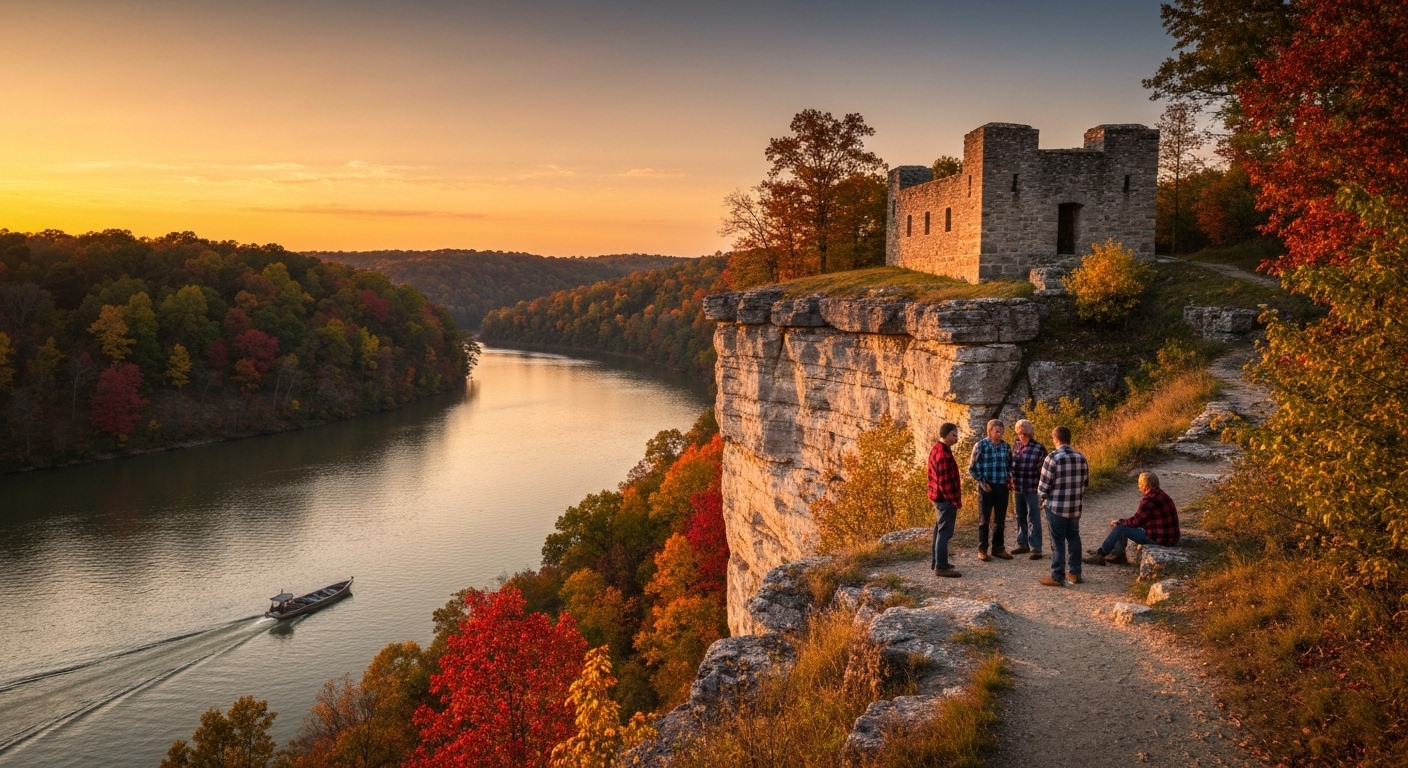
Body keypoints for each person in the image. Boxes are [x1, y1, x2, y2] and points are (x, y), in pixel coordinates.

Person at [1085, 472, 1180, 566]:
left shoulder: (1148, 500)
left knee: (1119, 528)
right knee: (1123, 526)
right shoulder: (1162, 495)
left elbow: (1136, 522)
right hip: (1171, 538)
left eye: (1139, 484)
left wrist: (1119, 522)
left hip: (1159, 539)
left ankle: (1101, 554)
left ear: (1143, 486)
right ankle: (1116, 554)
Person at [1037, 425, 1089, 586]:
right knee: (1074, 537)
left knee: (1057, 541)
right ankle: (1075, 572)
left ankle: (1057, 575)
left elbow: (1043, 487)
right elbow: (1086, 482)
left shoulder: (1052, 458)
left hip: (1056, 507)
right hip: (1075, 506)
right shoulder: (1081, 457)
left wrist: (1041, 501)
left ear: (1055, 439)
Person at [969, 419, 1014, 561]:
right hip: (986, 487)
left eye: (1001, 430)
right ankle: (982, 549)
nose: (999, 432)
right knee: (984, 520)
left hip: (1002, 487)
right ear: (990, 431)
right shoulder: (980, 446)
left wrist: (1010, 480)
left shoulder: (1006, 447)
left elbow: (1010, 465)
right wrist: (981, 482)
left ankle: (998, 548)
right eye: (996, 430)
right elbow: (972, 468)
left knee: (1000, 520)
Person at [927, 422, 963, 578]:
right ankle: (941, 567)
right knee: (944, 533)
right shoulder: (943, 455)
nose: (957, 438)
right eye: (954, 434)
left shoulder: (937, 449)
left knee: (939, 530)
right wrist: (953, 501)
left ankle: (937, 561)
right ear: (947, 434)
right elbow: (945, 483)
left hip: (938, 498)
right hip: (945, 500)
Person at [1009, 419, 1047, 560]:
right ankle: (1022, 544)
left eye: (1025, 431)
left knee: (1034, 517)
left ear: (1030, 432)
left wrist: (1043, 493)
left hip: (1032, 488)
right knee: (1020, 516)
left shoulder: (1039, 448)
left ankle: (1036, 548)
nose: (1022, 434)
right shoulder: (1016, 446)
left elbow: (1044, 471)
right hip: (1018, 487)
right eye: (1020, 431)